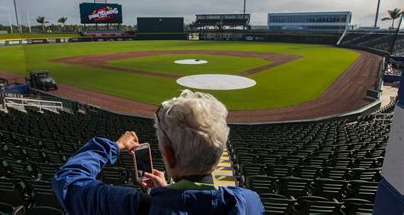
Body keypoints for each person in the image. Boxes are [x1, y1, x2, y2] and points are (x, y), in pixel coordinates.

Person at [52, 90, 264, 214]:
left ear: (169, 156)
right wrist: (171, 189)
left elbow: (67, 182)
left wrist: (114, 146)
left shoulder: (132, 205)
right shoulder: (249, 202)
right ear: (219, 152)